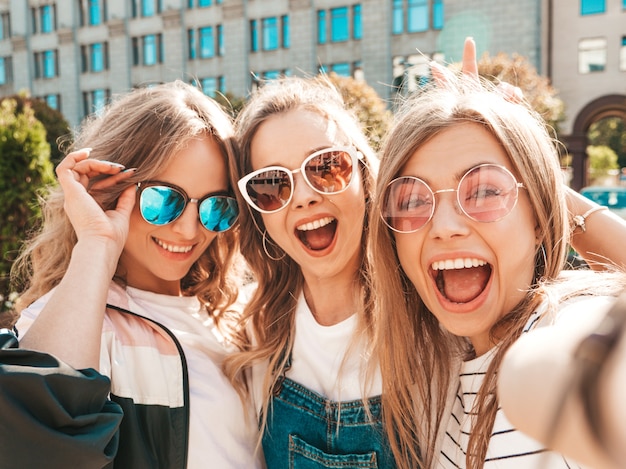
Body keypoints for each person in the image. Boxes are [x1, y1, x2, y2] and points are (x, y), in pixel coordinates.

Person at [368, 74, 626, 469]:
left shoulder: (565, 329)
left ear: (539, 214)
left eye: (486, 190)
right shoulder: (441, 362)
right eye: (413, 199)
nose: (443, 226)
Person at [0, 80, 261, 468]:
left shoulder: (237, 318)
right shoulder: (79, 321)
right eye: (163, 200)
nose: (189, 230)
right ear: (111, 189)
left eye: (215, 207)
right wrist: (96, 242)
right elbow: (36, 442)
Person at [223, 75, 395, 467]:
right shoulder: (252, 332)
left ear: (364, 178)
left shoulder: (430, 318)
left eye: (326, 166)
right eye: (271, 184)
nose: (304, 197)